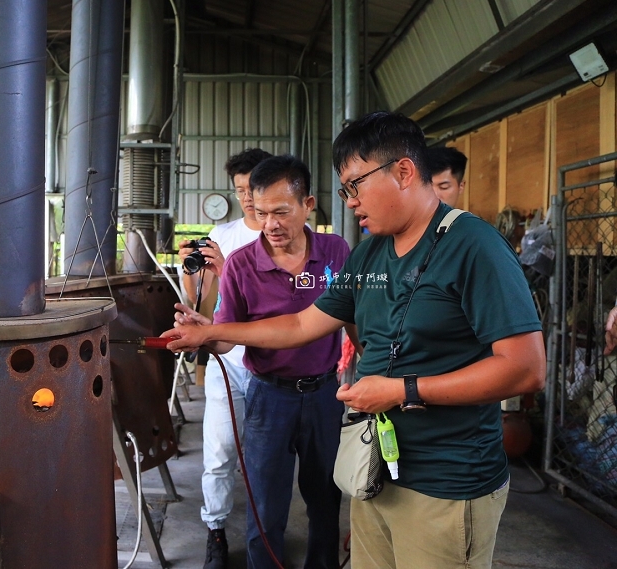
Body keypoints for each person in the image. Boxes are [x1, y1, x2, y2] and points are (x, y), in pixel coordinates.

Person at [164, 112, 546, 569]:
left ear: (403, 171)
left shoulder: (473, 246)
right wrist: (210, 331)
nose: (349, 202)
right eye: (344, 190)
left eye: (354, 186)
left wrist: (403, 389)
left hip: (446, 481)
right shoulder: (371, 253)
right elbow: (302, 324)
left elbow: (525, 368)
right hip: (377, 470)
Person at [176, 154, 351, 569]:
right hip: (269, 398)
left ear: (308, 205)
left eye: (281, 212)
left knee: (326, 499)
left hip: (325, 393)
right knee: (265, 507)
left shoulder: (335, 251)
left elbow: (353, 315)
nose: (270, 223)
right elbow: (222, 342)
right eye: (260, 212)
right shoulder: (240, 265)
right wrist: (203, 327)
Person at [178, 148, 272, 569]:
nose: (247, 198)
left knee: (266, 457)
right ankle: (215, 530)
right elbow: (203, 309)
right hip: (225, 364)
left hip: (272, 366)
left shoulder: (282, 234)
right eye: (240, 190)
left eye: (253, 188)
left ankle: (264, 533)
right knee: (218, 452)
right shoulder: (221, 235)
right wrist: (194, 275)